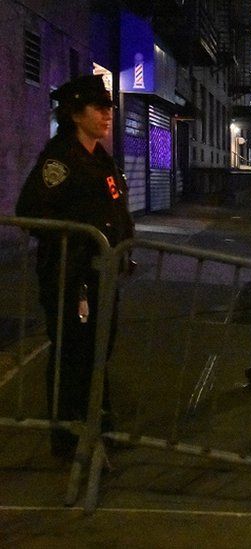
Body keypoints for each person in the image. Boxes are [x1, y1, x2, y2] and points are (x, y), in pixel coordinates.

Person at [15, 74, 135, 459]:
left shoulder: (101, 159)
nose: (106, 114)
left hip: (104, 273)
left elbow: (116, 209)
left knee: (100, 349)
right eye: (97, 108)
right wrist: (80, 239)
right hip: (71, 275)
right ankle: (67, 433)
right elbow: (31, 212)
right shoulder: (60, 159)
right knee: (72, 351)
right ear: (74, 114)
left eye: (107, 107)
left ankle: (96, 419)